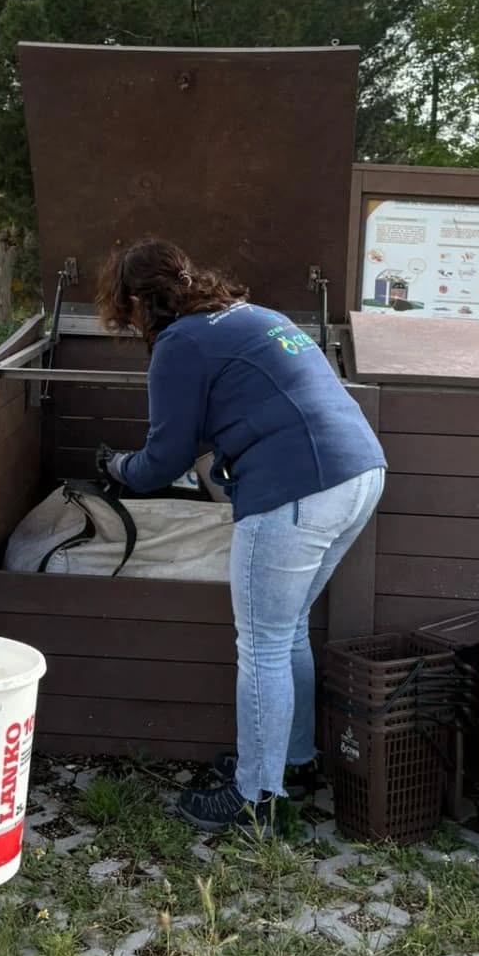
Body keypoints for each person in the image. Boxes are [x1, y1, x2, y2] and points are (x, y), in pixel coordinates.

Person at [96, 238, 385, 835]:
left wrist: (113, 466)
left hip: (296, 487)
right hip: (359, 474)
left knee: (261, 646)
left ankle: (258, 798)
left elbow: (161, 461)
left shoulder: (179, 344)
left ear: (136, 301)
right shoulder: (258, 316)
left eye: (127, 314)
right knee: (287, 633)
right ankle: (292, 765)